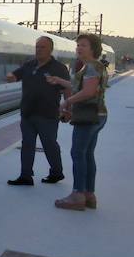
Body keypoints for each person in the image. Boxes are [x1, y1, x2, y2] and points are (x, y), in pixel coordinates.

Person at [46, 33, 108, 211]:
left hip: (89, 116)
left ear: (93, 49)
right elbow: (80, 87)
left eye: (84, 45)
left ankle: (77, 195)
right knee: (87, 154)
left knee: (77, 154)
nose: (79, 48)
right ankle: (89, 195)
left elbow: (88, 92)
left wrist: (66, 102)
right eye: (78, 45)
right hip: (98, 115)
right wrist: (59, 81)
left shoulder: (91, 67)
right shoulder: (93, 66)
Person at [5, 36, 71, 186]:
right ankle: (25, 176)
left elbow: (67, 88)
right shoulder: (29, 65)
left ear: (50, 49)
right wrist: (11, 76)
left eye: (42, 47)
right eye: (37, 47)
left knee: (49, 145)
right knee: (27, 145)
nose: (39, 50)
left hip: (48, 115)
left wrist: (68, 108)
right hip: (28, 113)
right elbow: (16, 75)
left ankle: (56, 172)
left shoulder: (59, 68)